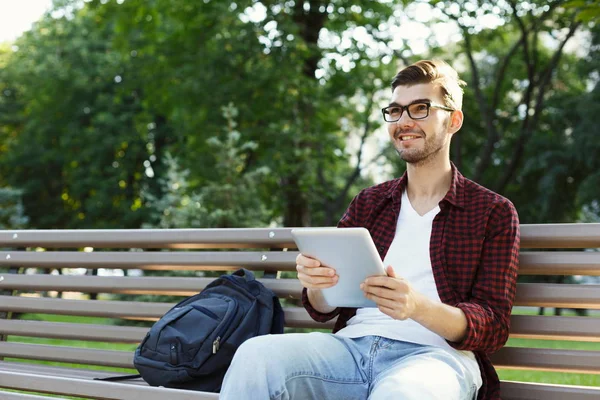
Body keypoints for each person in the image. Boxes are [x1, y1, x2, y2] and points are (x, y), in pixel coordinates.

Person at [219, 59, 520, 400]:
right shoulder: (369, 203)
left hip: (434, 360)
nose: (404, 121)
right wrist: (318, 284)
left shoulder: (492, 212)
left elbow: (493, 326)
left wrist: (417, 307)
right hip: (348, 351)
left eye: (420, 108)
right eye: (395, 110)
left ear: (454, 120)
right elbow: (322, 307)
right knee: (255, 356)